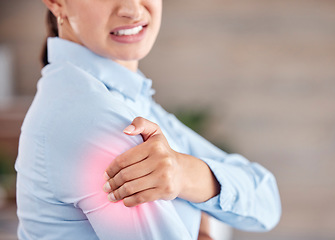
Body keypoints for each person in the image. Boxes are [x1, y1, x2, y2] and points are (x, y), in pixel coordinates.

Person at [15, 0, 281, 239]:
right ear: (56, 3)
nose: (132, 9)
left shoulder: (130, 100)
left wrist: (183, 174)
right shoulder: (94, 118)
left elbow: (266, 201)